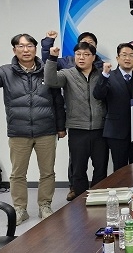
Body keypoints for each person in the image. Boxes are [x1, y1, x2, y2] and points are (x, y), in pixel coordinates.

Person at [0, 34, 66, 225]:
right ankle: (19, 209)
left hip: (46, 130)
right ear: (14, 49)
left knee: (47, 172)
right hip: (18, 131)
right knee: (17, 174)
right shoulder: (6, 72)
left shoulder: (47, 70)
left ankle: (45, 205)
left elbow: (58, 100)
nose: (26, 50)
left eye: (29, 46)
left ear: (35, 48)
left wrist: (60, 127)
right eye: (21, 46)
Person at [45, 42, 107, 200]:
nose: (81, 58)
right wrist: (52, 58)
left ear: (93, 57)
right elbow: (50, 81)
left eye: (86, 55)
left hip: (100, 129)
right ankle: (80, 199)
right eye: (78, 54)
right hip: (77, 128)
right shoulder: (67, 74)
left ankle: (98, 198)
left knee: (100, 168)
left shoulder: (101, 74)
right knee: (78, 168)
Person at [93, 43, 133, 171]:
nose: (127, 58)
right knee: (119, 169)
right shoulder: (108, 76)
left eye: (131, 55)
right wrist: (104, 75)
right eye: (124, 55)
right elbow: (98, 95)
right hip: (116, 131)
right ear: (117, 58)